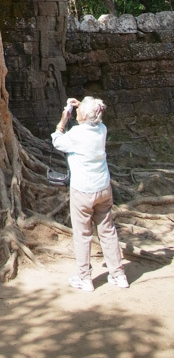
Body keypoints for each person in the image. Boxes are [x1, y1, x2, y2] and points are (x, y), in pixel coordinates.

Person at [52, 96, 128, 292]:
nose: (77, 113)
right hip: (103, 188)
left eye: (80, 111)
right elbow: (96, 113)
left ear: (84, 115)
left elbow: (57, 141)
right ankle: (118, 275)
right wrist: (82, 106)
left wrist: (64, 117)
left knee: (83, 234)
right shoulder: (101, 130)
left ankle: (85, 278)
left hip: (83, 191)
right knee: (107, 230)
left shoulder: (76, 134)